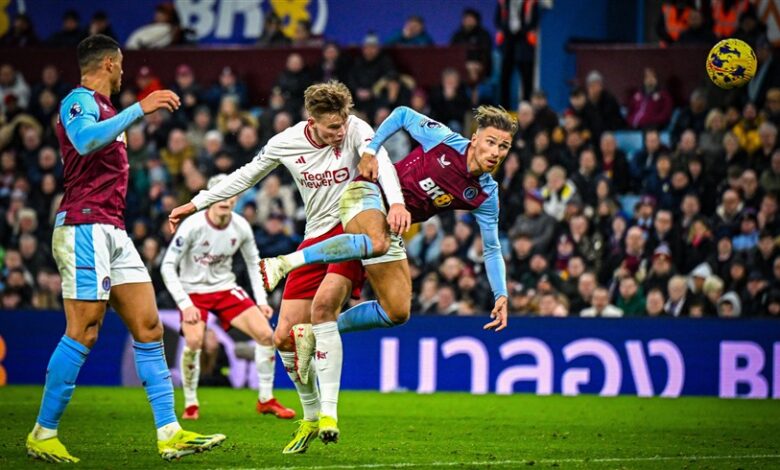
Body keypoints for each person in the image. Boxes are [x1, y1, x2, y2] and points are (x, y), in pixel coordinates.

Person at [168, 81, 405, 454]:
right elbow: (245, 175)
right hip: (314, 239)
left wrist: (395, 203)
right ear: (311, 121)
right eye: (331, 128)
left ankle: (329, 413)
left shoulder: (357, 129)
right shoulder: (286, 142)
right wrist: (196, 204)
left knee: (324, 307)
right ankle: (310, 416)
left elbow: (383, 163)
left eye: (342, 123)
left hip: (351, 231)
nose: (339, 132)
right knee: (282, 338)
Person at [25, 35, 224, 463]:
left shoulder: (110, 110)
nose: (124, 72)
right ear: (111, 63)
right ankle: (44, 431)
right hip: (83, 224)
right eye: (122, 65)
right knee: (84, 329)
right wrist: (141, 108)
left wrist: (131, 113)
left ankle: (169, 432)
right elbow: (83, 142)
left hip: (113, 229)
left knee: (150, 327)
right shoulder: (77, 101)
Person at [259, 104, 515, 402]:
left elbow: (492, 247)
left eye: (504, 146)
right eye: (491, 142)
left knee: (397, 312)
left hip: (390, 224)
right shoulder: (443, 140)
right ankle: (286, 262)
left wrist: (501, 294)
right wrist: (371, 151)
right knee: (375, 243)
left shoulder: (485, 194)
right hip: (368, 193)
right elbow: (403, 114)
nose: (496, 151)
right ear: (475, 139)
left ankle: (314, 333)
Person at [161, 174, 295, 421]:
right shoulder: (192, 225)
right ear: (210, 198)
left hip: (224, 289)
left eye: (229, 193)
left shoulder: (241, 226)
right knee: (194, 342)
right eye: (218, 193)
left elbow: (254, 264)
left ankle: (266, 399)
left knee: (266, 335)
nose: (224, 198)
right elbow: (167, 266)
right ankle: (191, 403)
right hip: (193, 291)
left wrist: (262, 301)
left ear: (236, 198)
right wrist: (184, 304)